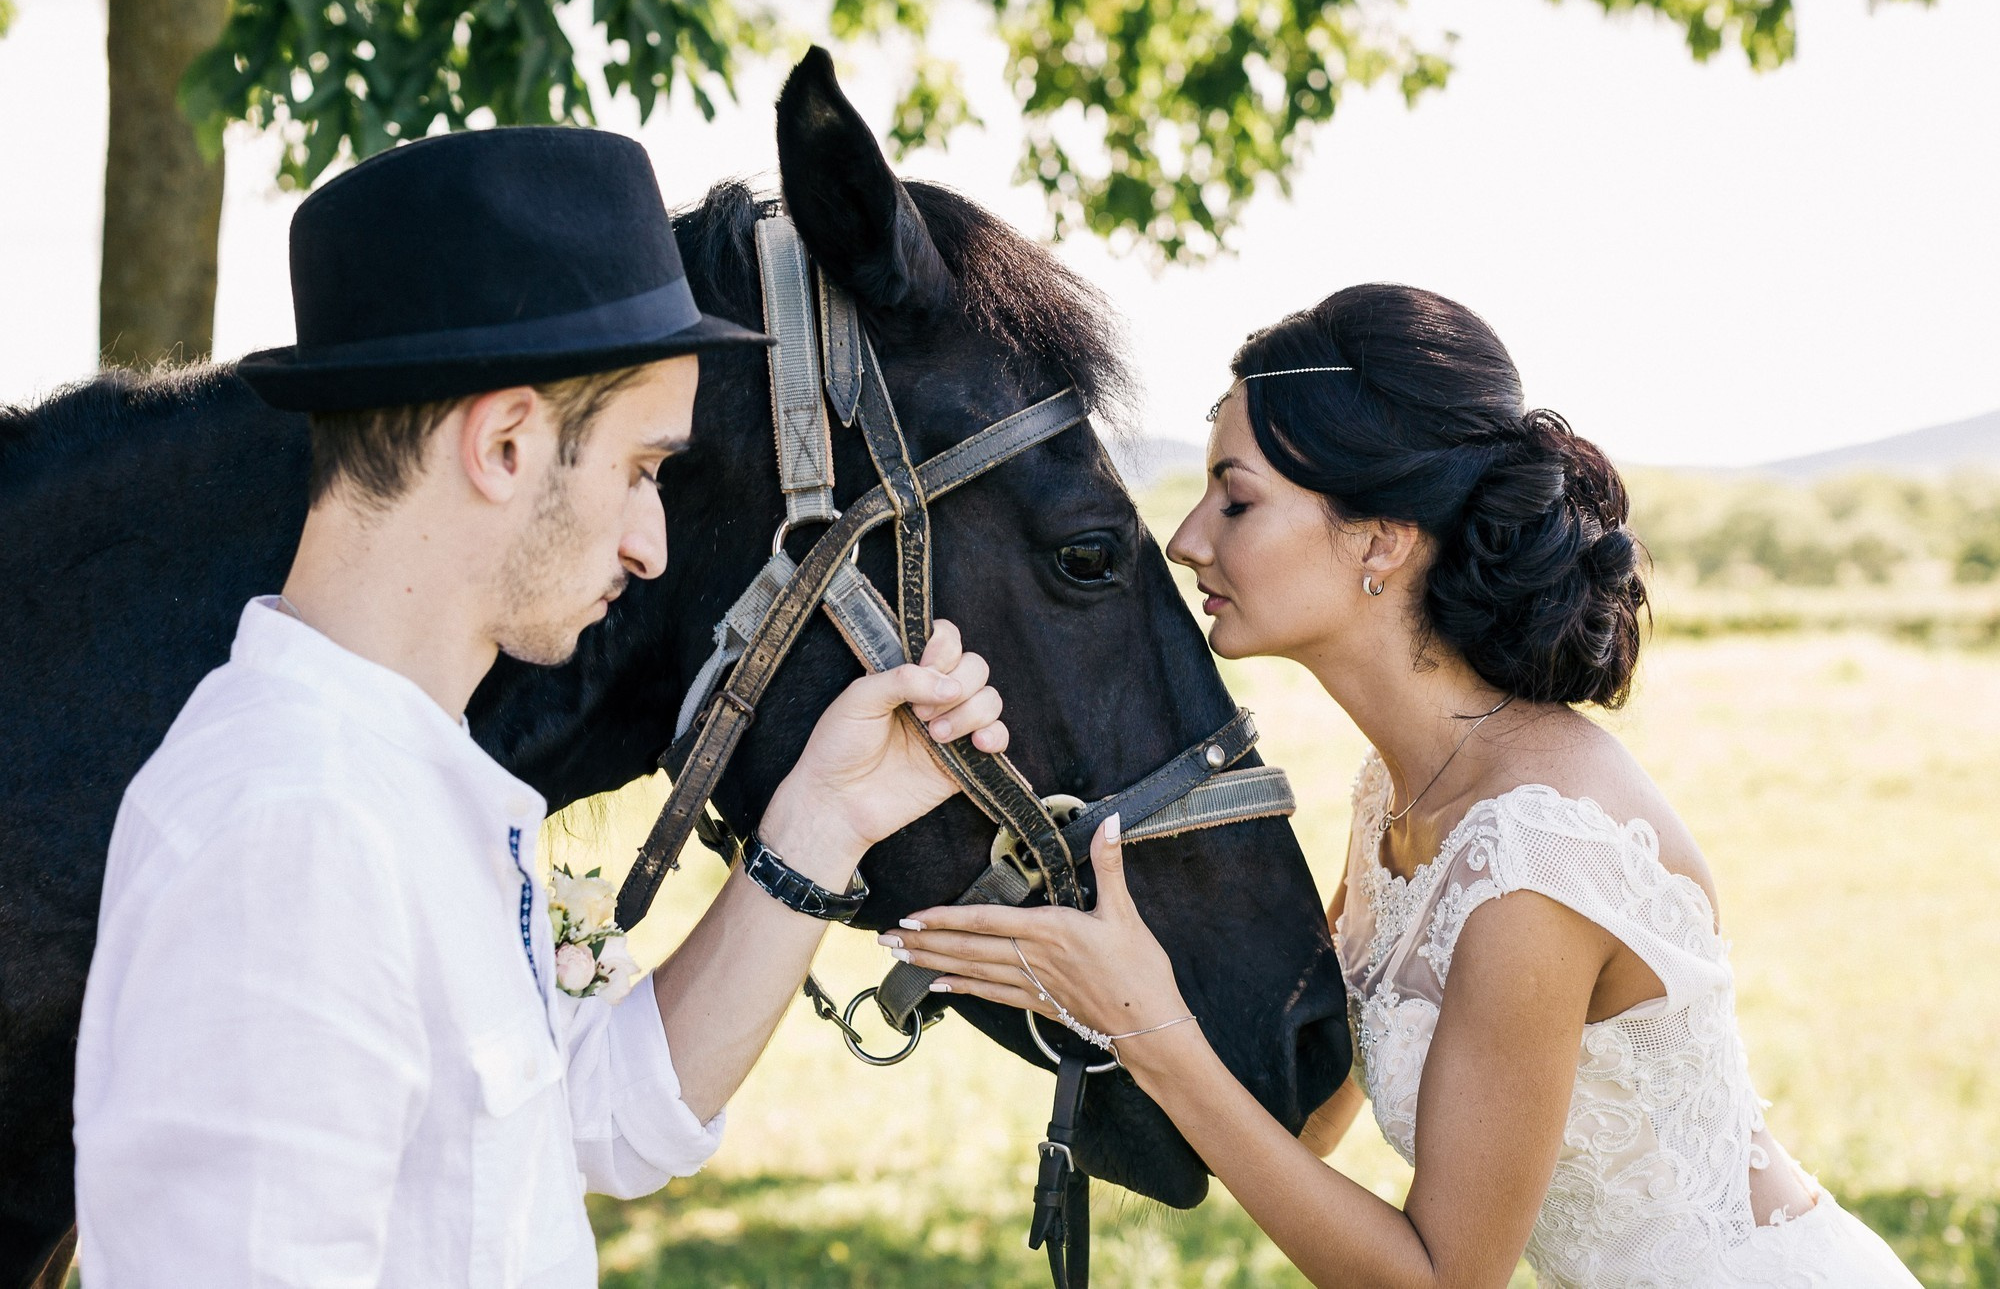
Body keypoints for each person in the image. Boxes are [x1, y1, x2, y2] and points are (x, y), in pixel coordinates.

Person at [71, 127, 1010, 1287]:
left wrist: (827, 816)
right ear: (506, 444)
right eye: (642, 469)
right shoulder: (294, 834)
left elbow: (594, 1112)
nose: (652, 544)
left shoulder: (390, 781)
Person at [889, 284, 1922, 1287]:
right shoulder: (1395, 790)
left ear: (1380, 539)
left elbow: (1444, 1278)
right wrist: (1085, 989)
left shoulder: (1534, 861)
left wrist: (1149, 1023)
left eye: (1235, 499)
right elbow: (1306, 1125)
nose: (1188, 538)